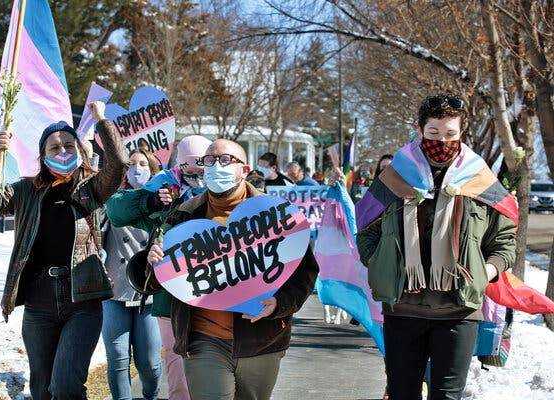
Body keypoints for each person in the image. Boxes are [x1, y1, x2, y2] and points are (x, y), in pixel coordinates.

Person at [357, 94, 516, 400]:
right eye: (433, 134)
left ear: (462, 133)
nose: (441, 141)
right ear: (420, 129)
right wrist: (380, 264)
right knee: (403, 394)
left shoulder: (480, 179)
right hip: (402, 308)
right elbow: (364, 228)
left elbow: (505, 239)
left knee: (447, 396)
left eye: (450, 134)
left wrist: (487, 269)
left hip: (459, 311)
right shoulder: (394, 176)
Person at [0, 102, 126, 400]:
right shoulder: (26, 190)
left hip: (82, 298)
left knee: (66, 387)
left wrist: (103, 120)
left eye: (69, 145)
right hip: (39, 301)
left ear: (80, 151)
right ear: (43, 156)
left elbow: (117, 164)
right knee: (41, 390)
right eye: (55, 148)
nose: (63, 152)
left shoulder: (91, 188)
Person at [147, 139, 319, 400]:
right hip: (202, 339)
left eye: (226, 160)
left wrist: (279, 304)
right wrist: (152, 261)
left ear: (245, 170)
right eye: (210, 160)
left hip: (261, 340)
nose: (217, 166)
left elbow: (305, 274)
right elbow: (161, 278)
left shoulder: (277, 215)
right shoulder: (183, 215)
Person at [106, 134, 213, 400]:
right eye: (193, 166)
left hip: (214, 295)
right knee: (176, 374)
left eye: (205, 165)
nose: (199, 173)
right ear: (181, 164)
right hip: (169, 299)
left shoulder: (224, 188)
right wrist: (151, 200)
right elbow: (117, 211)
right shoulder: (166, 185)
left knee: (212, 373)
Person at [101, 149, 162, 400]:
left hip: (149, 293)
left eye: (143, 164)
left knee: (148, 361)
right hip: (115, 290)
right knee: (117, 358)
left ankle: (151, 395)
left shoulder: (161, 202)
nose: (137, 168)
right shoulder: (113, 199)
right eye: (131, 164)